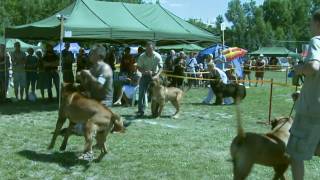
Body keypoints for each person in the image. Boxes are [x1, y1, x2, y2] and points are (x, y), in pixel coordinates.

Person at [286, 10, 320, 180]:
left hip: (312, 111)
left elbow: (313, 67)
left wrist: (299, 68)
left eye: (310, 23)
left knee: (295, 154)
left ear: (317, 24)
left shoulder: (317, 41)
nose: (309, 27)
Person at [136, 41, 163, 117]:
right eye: (147, 48)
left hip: (155, 76)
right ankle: (141, 110)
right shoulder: (141, 56)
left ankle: (155, 111)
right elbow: (138, 67)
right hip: (145, 76)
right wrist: (144, 72)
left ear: (153, 48)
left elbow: (161, 68)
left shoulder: (157, 56)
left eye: (150, 48)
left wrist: (157, 75)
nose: (148, 50)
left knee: (157, 93)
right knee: (141, 92)